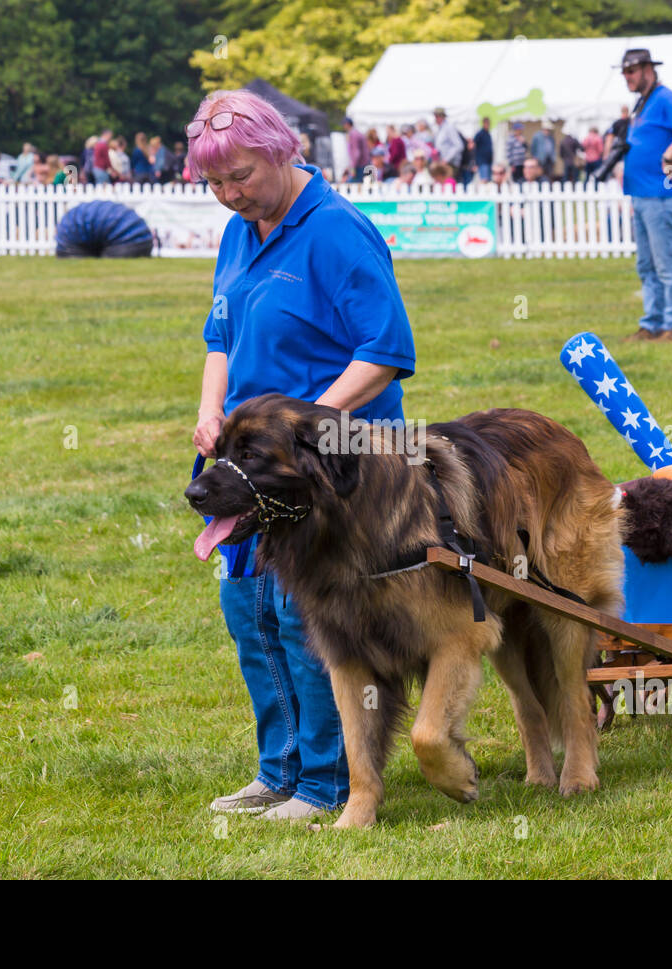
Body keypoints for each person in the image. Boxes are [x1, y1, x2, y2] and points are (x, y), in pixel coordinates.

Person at [187, 88, 416, 822]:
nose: (229, 194)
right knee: (246, 604)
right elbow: (220, 334)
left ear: (284, 151)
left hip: (328, 460)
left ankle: (326, 782)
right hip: (250, 455)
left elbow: (384, 352)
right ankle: (277, 769)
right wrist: (208, 412)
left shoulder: (338, 231)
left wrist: (310, 427)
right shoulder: (241, 230)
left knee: (306, 614)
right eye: (215, 184)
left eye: (242, 176)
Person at [618, 48, 672, 342]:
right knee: (646, 265)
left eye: (630, 71)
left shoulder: (665, 98)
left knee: (666, 262)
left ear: (646, 70)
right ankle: (652, 324)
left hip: (661, 193)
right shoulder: (642, 103)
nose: (626, 77)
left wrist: (670, 154)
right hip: (642, 194)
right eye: (624, 72)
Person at [432, 107, 464, 173]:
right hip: (444, 163)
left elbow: (459, 145)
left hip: (450, 164)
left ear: (442, 116)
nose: (435, 118)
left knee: (448, 182)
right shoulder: (439, 129)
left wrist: (446, 159)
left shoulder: (449, 127)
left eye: (437, 116)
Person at [343, 117, 369, 182]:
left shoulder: (353, 134)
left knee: (351, 184)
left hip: (359, 166)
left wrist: (353, 167)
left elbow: (356, 152)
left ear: (347, 124)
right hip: (363, 164)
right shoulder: (357, 133)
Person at [473, 116, 493, 182]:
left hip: (488, 161)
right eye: (486, 123)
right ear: (483, 123)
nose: (487, 125)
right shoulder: (479, 134)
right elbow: (473, 146)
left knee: (488, 180)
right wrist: (475, 162)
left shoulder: (488, 134)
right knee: (484, 180)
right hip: (482, 161)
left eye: (488, 123)